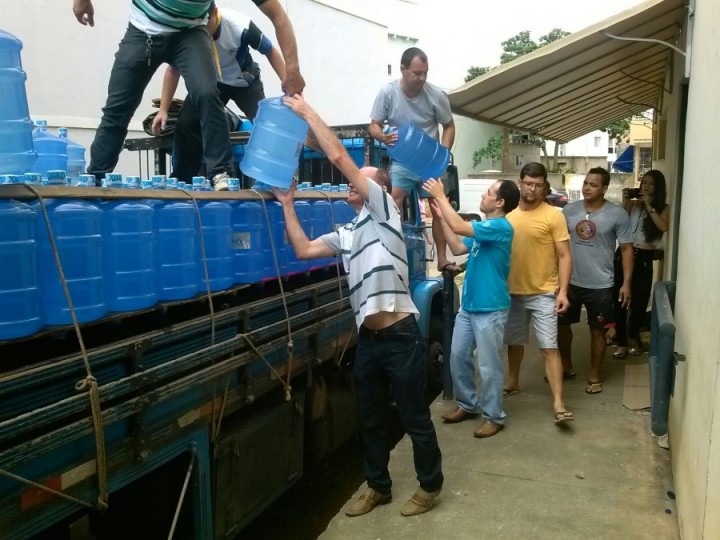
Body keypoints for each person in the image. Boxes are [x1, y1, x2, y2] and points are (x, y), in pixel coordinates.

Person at [272, 94, 443, 518]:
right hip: (369, 340)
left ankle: (430, 485)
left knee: (414, 416)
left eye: (361, 180)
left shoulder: (386, 212)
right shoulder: (349, 233)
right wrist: (288, 205)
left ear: (379, 192)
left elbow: (336, 155)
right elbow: (304, 248)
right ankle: (378, 487)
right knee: (369, 420)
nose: (352, 183)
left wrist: (308, 111)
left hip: (402, 337)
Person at [73, 0, 304, 190]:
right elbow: (171, 73)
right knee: (119, 106)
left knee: (205, 93)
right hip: (143, 29)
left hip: (192, 33)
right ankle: (96, 175)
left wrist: (292, 70)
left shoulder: (238, 26)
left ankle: (220, 172)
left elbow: (278, 16)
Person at [423, 177, 519, 438]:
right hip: (470, 306)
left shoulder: (500, 227)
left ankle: (494, 416)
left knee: (488, 366)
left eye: (488, 193)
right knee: (457, 356)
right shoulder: (483, 227)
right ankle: (468, 404)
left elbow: (459, 226)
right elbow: (455, 245)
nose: (483, 196)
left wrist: (442, 197)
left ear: (499, 202)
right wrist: (439, 215)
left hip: (491, 308)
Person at [151, 2, 287, 184]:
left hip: (244, 82)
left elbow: (270, 50)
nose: (202, 28)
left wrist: (287, 82)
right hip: (213, 83)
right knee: (186, 123)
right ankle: (183, 177)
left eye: (205, 22)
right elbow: (172, 70)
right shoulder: (191, 32)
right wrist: (163, 110)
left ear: (215, 13)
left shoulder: (239, 25)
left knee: (264, 125)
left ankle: (273, 177)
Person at [368, 47, 457, 274]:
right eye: (417, 73)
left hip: (431, 161)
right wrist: (381, 135)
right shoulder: (388, 93)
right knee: (394, 200)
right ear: (403, 69)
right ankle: (387, 252)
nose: (422, 78)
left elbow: (449, 126)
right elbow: (374, 125)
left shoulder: (436, 95)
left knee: (438, 207)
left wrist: (443, 154)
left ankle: (442, 258)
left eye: (425, 72)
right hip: (404, 159)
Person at [502, 162, 574, 424]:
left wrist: (563, 292)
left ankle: (558, 402)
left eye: (538, 185)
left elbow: (565, 256)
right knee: (514, 341)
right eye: (528, 183)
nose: (532, 189)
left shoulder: (554, 215)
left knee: (549, 347)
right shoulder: (507, 214)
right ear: (520, 182)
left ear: (545, 187)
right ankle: (513, 380)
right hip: (512, 292)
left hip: (544, 292)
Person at [557, 167, 633, 395]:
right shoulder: (568, 211)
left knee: (598, 330)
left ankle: (594, 374)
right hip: (569, 282)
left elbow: (628, 249)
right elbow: (557, 246)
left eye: (593, 184)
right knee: (562, 326)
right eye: (586, 183)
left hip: (601, 284)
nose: (587, 188)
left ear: (605, 188)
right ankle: (567, 366)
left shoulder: (617, 214)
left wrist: (626, 283)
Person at [613, 170, 670, 357]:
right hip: (624, 253)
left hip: (644, 257)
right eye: (644, 182)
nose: (645, 186)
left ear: (658, 187)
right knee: (619, 300)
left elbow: (663, 227)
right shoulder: (633, 205)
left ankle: (632, 336)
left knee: (639, 301)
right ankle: (621, 342)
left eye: (651, 183)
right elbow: (620, 221)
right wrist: (626, 201)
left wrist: (649, 206)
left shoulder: (663, 207)